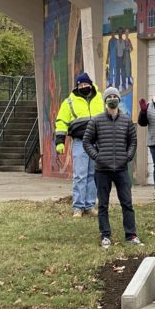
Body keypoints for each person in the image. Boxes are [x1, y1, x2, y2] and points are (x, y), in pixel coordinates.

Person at [81, 86, 141, 249]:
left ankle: (131, 235)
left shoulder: (127, 120)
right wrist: (97, 156)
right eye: (109, 96)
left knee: (127, 203)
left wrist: (127, 157)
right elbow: (87, 142)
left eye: (115, 96)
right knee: (103, 205)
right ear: (105, 100)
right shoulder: (96, 120)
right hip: (102, 170)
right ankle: (105, 236)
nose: (112, 98)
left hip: (121, 169)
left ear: (119, 100)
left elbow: (133, 142)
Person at [54, 72, 104, 217]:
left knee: (93, 174)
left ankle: (89, 205)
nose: (83, 87)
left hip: (96, 142)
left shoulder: (100, 98)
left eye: (85, 84)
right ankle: (78, 207)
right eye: (81, 85)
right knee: (80, 175)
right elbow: (61, 121)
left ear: (90, 84)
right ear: (77, 86)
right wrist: (59, 141)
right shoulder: (69, 101)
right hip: (80, 142)